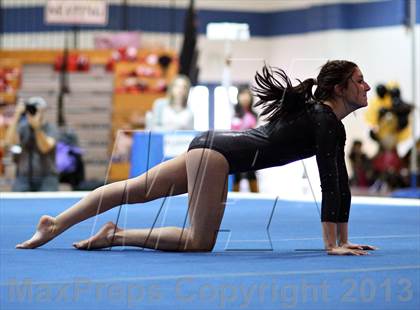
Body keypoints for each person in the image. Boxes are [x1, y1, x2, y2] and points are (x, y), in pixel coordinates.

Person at [16, 60, 377, 256]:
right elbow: (332, 183)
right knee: (198, 242)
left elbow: (337, 184)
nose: (367, 87)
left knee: (131, 189)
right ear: (339, 88)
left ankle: (55, 223)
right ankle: (116, 234)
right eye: (359, 81)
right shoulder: (325, 121)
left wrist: (341, 240)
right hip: (219, 157)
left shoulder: (319, 115)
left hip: (211, 147)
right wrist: (335, 245)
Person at [5, 97, 59, 191]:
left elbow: (45, 148)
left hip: (47, 177)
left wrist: (37, 128)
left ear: (43, 111)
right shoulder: (23, 128)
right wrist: (16, 116)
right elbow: (8, 143)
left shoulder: (51, 128)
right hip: (23, 177)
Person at [231, 86, 259, 192]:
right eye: (242, 95)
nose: (245, 97)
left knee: (251, 174)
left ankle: (256, 197)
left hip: (250, 149)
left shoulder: (254, 115)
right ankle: (234, 195)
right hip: (236, 149)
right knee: (236, 175)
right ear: (238, 97)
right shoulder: (234, 114)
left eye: (247, 95)